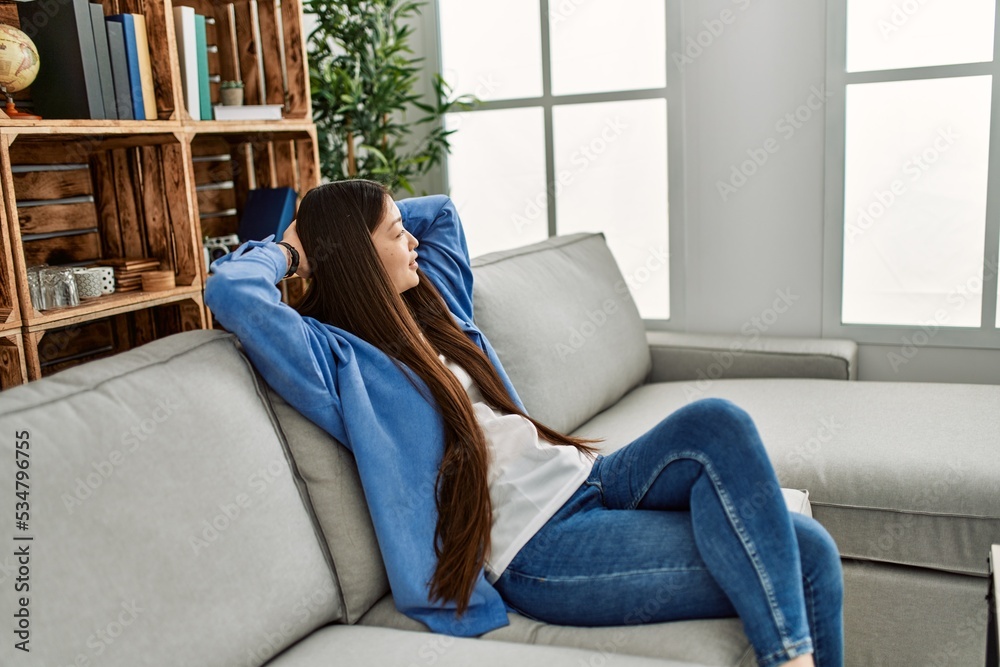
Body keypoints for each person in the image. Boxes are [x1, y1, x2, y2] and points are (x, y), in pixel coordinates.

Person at [204, 179, 844, 667]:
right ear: (356, 256)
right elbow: (234, 294)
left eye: (404, 230)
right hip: (541, 546)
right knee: (808, 555)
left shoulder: (434, 306)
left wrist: (368, 217)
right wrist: (294, 249)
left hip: (591, 480)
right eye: (396, 235)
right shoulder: (333, 354)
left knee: (717, 421)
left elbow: (443, 212)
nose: (414, 241)